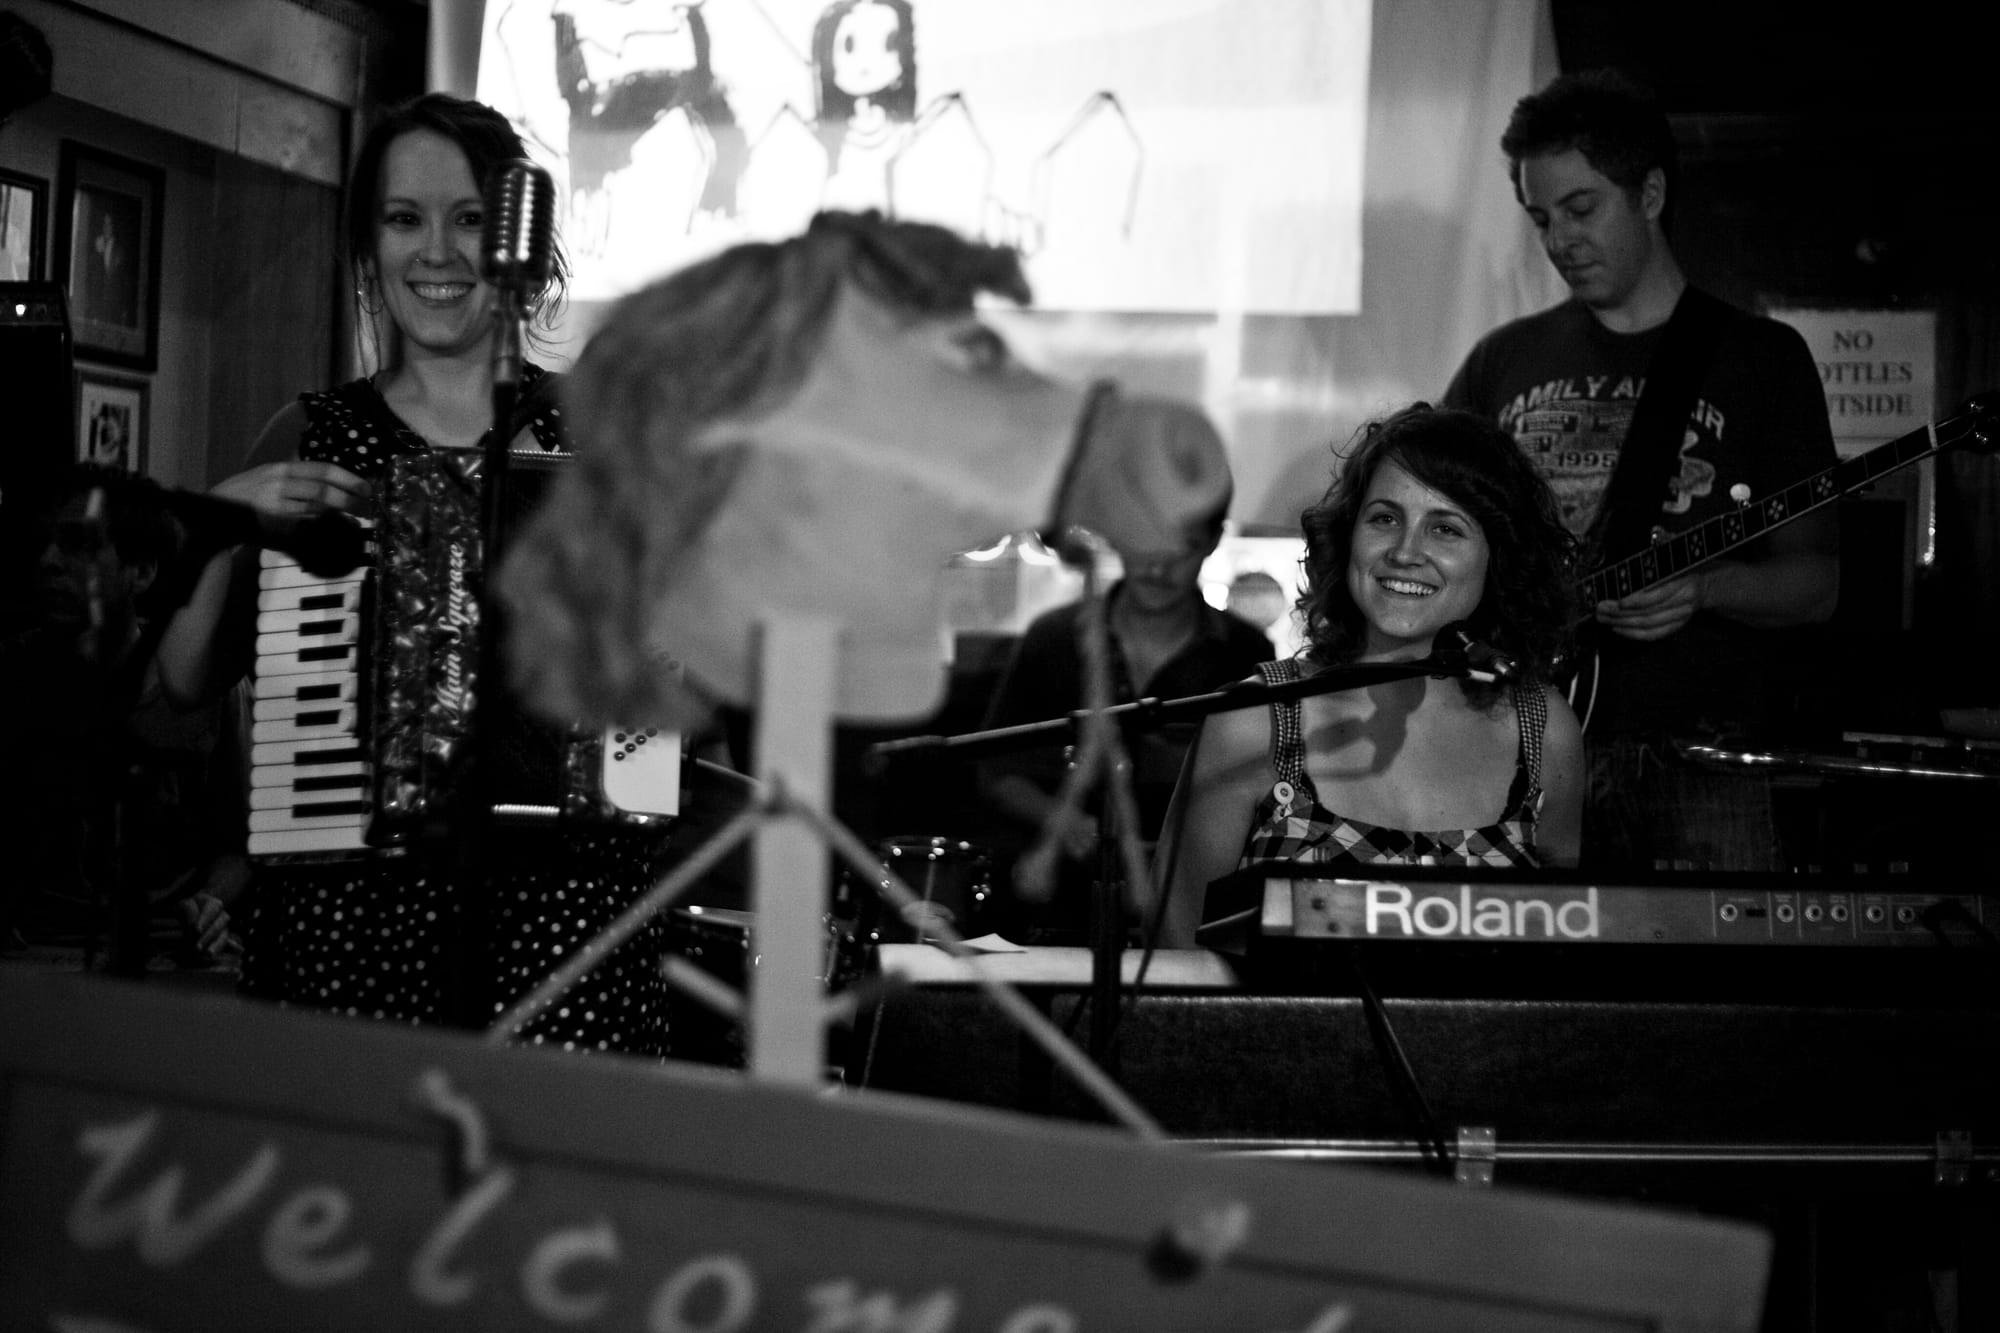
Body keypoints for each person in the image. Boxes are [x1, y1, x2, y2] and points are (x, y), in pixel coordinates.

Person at [154, 92, 675, 1054]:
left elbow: (665, 709)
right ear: (369, 243)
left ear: (520, 244)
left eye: (469, 219)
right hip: (350, 932)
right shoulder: (313, 435)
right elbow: (186, 678)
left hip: (568, 933)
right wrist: (223, 519)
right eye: (404, 219)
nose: (436, 252)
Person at [1440, 68, 1838, 875]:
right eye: (1541, 218)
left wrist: (1705, 588)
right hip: (1519, 748)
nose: (1559, 240)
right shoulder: (1502, 359)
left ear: (1650, 194)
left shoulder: (1760, 359)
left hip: (1697, 760)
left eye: (1581, 208)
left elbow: (1817, 582)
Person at [1149, 404, 1585, 949]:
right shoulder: (1255, 719)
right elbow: (1174, 947)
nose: (1405, 551)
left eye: (1445, 529)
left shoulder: (1545, 732)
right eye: (1384, 519)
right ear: (1348, 535)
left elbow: (1565, 952)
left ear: (1499, 558)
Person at [977, 491, 1272, 942]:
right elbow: (996, 770)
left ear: (1213, 541)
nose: (1157, 569)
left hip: (1189, 906)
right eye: (1143, 545)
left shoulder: (1245, 652)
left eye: (1181, 549)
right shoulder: (1053, 638)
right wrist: (1061, 819)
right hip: (1056, 910)